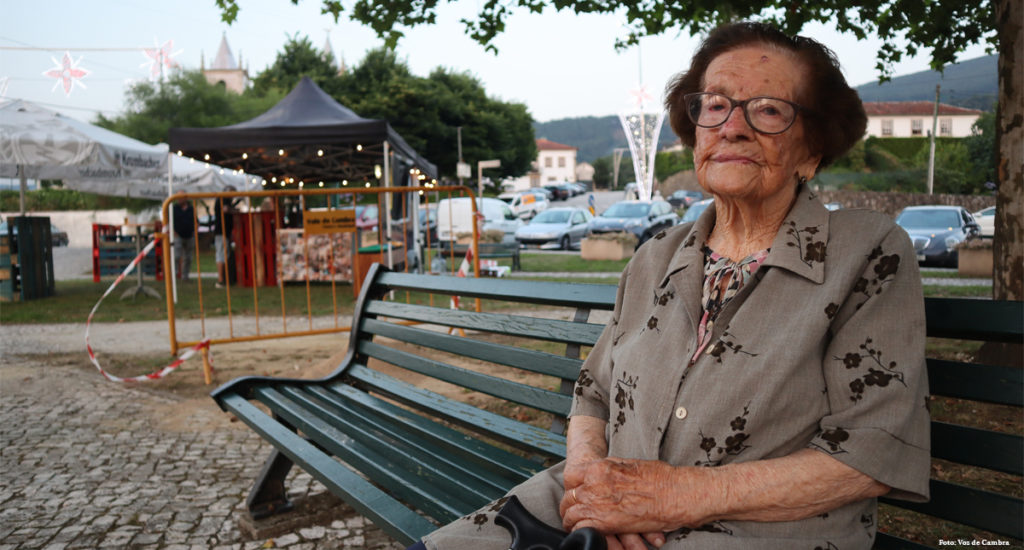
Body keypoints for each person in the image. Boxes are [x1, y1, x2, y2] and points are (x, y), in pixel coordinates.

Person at [413, 22, 929, 550]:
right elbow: (593, 396)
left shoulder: (867, 252)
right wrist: (593, 486)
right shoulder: (656, 255)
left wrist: (672, 494)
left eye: (769, 110)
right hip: (593, 509)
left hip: (754, 531)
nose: (733, 127)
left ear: (811, 150)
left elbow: (870, 454)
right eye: (715, 105)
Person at [209, 186, 238, 288]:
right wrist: (235, 210)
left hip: (224, 232)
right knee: (221, 254)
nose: (234, 196)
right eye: (233, 193)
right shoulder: (223, 198)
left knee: (224, 254)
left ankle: (225, 278)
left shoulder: (224, 199)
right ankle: (221, 280)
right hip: (221, 231)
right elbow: (226, 210)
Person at [170, 191, 195, 281]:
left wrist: (194, 230)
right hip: (178, 235)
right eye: (178, 197)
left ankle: (185, 276)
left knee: (188, 257)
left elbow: (195, 220)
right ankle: (175, 274)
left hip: (189, 235)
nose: (180, 199)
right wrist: (173, 231)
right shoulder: (174, 208)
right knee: (176, 256)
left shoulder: (191, 208)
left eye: (182, 196)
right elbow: (170, 221)